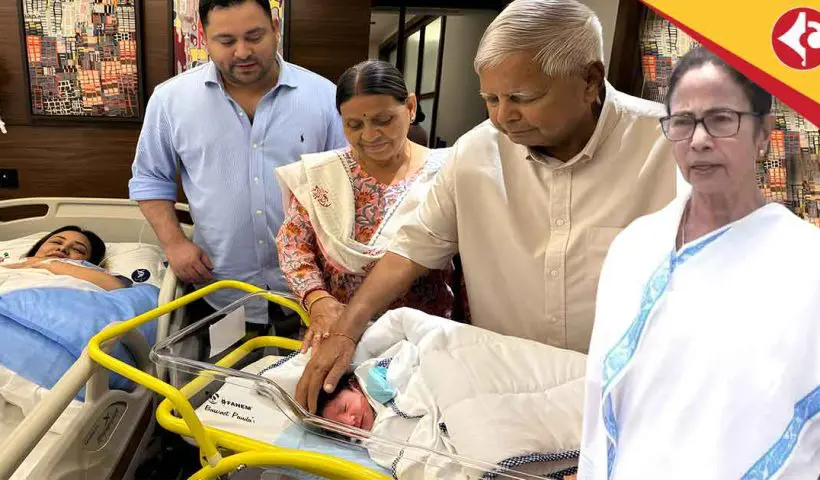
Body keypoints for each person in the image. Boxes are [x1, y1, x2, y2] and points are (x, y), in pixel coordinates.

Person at [296, 0, 685, 413]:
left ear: (589, 80)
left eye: (522, 96)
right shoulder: (476, 153)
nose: (503, 116)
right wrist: (345, 331)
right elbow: (413, 247)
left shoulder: (674, 151)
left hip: (629, 395)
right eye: (491, 98)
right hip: (502, 389)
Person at [577, 47, 820, 479]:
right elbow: (600, 407)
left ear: (763, 132)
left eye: (722, 119)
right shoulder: (634, 248)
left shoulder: (807, 264)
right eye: (683, 122)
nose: (699, 139)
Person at [129, 0, 347, 333]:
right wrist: (174, 243)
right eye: (227, 41)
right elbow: (149, 178)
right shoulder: (171, 100)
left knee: (307, 384)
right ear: (205, 38)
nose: (242, 52)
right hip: (220, 288)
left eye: (254, 36)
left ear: (276, 28)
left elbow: (346, 184)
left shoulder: (323, 97)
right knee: (226, 380)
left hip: (309, 289)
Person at [275, 60, 454, 353]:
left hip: (422, 335)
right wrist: (318, 300)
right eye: (354, 125)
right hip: (337, 332)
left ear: (410, 107)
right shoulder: (324, 175)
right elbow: (294, 246)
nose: (370, 136)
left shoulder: (445, 173)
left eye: (384, 120)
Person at [3, 226, 129, 290]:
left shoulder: (89, 274)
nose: (62, 249)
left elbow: (116, 287)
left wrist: (45, 263)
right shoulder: (9, 262)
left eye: (78, 249)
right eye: (57, 242)